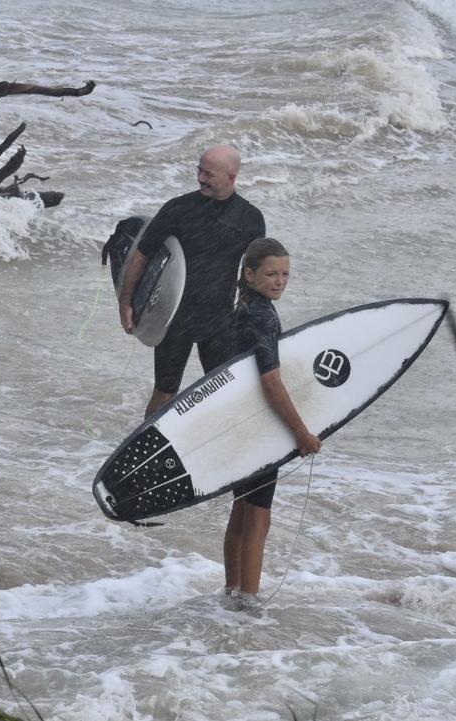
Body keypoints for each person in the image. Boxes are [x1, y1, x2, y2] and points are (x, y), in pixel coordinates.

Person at [118, 144, 266, 418]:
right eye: (199, 171)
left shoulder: (251, 219)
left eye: (208, 173)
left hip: (219, 320)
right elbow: (142, 254)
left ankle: (220, 446)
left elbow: (253, 273)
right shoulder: (178, 209)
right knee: (165, 391)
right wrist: (126, 302)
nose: (200, 178)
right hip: (174, 318)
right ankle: (148, 449)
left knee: (224, 389)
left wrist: (253, 316)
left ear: (231, 177)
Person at [222, 237, 322, 607]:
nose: (280, 281)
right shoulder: (261, 317)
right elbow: (271, 383)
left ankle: (232, 593)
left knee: (242, 508)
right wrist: (301, 434)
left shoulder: (243, 308)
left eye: (285, 274)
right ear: (249, 275)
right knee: (259, 516)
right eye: (271, 274)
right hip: (260, 426)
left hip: (239, 423)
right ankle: (248, 602)